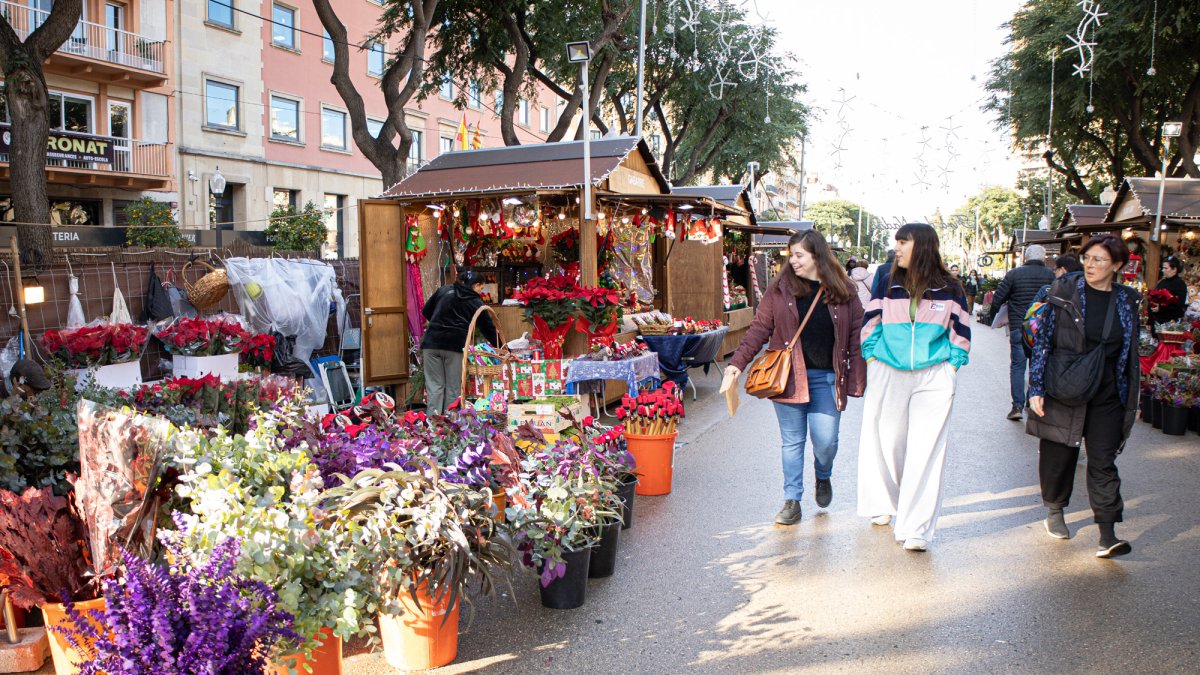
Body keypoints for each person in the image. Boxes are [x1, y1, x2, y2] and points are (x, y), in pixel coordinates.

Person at [725, 230, 867, 525]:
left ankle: (823, 475)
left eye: (799, 255)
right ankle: (792, 500)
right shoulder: (780, 289)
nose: (793, 261)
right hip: (788, 378)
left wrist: (856, 379)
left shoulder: (844, 291)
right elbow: (759, 329)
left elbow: (856, 338)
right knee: (792, 442)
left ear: (818, 255)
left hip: (827, 379)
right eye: (791, 255)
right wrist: (736, 364)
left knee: (826, 442)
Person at [857, 223, 970, 552]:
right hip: (888, 369)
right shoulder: (887, 280)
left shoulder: (950, 287)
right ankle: (886, 503)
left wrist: (951, 365)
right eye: (897, 242)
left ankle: (917, 527)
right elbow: (871, 319)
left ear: (922, 247)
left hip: (934, 375)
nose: (898, 249)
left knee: (927, 449)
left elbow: (960, 328)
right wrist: (873, 357)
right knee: (887, 441)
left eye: (903, 243)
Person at [1026, 234, 1140, 559]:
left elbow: (1129, 355)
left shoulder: (1127, 301)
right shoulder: (1065, 291)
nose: (1090, 265)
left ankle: (1107, 533)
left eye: (1099, 260)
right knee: (1060, 455)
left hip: (1107, 396)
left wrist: (1133, 396)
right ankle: (1055, 510)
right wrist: (1036, 388)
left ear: (1117, 265)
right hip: (1066, 386)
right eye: (1087, 258)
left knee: (1103, 462)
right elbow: (1043, 341)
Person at [985, 244, 1055, 421]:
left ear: (1025, 257)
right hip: (1044, 329)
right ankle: (1033, 402)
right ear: (1044, 258)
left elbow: (998, 298)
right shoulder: (1051, 275)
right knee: (1038, 366)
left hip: (1019, 325)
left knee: (1018, 366)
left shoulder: (1014, 274)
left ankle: (1017, 405)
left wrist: (995, 316)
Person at [420, 269, 497, 414]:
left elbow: (426, 311)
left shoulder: (444, 290)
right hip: (454, 347)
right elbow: (489, 329)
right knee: (453, 388)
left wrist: (439, 321)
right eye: (481, 287)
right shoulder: (475, 301)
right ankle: (450, 424)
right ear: (475, 285)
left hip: (431, 344)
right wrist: (504, 348)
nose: (481, 291)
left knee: (434, 386)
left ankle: (433, 425)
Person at [1149, 256, 1188, 328]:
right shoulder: (1162, 282)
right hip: (1156, 321)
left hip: (1170, 323)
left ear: (1174, 269)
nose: (1163, 270)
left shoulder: (1180, 284)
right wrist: (1149, 320)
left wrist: (1161, 308)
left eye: (1166, 268)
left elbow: (1179, 303)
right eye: (1163, 268)